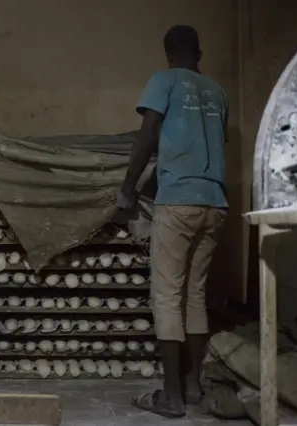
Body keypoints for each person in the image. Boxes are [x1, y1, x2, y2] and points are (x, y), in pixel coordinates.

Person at [117, 25, 229, 418]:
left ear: (167, 55)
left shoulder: (163, 81)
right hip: (215, 203)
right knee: (194, 297)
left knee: (166, 296)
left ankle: (171, 397)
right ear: (199, 52)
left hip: (177, 200)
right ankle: (193, 386)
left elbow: (148, 135)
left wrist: (127, 190)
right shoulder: (216, 91)